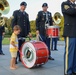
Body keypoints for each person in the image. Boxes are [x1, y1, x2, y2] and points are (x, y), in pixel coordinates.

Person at [61, 0, 76, 75]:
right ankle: (68, 71)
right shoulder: (65, 4)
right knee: (69, 52)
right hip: (70, 31)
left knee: (75, 53)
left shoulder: (74, 5)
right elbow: (70, 12)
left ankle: (74, 69)